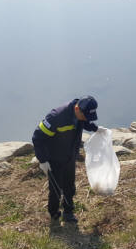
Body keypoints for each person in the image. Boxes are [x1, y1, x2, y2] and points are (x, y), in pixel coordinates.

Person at [32, 96, 100, 225]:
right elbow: (37, 137)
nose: (86, 118)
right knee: (56, 189)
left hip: (69, 156)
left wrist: (95, 129)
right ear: (77, 109)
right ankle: (54, 214)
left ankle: (68, 212)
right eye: (85, 115)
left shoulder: (80, 114)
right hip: (54, 159)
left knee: (70, 185)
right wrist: (43, 160)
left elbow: (83, 122)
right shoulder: (56, 117)